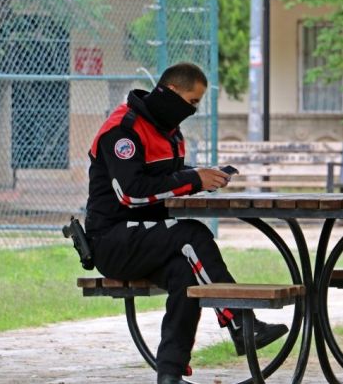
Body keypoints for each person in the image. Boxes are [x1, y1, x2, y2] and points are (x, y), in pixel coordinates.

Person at [84, 62, 288, 384]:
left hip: (147, 242)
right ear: (172, 92)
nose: (193, 110)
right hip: (113, 241)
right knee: (191, 233)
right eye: (192, 102)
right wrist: (193, 178)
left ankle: (170, 374)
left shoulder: (169, 133)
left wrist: (202, 176)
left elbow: (164, 178)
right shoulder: (123, 130)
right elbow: (131, 193)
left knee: (185, 271)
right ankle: (239, 322)